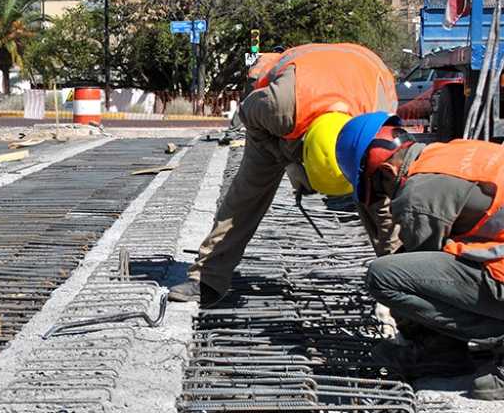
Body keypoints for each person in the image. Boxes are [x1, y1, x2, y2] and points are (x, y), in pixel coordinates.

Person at [168, 43, 398, 306]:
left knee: (380, 199)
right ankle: (207, 278)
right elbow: (246, 114)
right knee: (248, 194)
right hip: (288, 107)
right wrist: (283, 159)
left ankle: (402, 280)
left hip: (365, 73)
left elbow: (384, 209)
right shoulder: (278, 108)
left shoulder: (378, 117)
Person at [335, 111, 504, 400]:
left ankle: (440, 355)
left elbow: (420, 271)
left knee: (385, 275)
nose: (386, 199)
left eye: (380, 190)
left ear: (387, 172)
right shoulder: (450, 152)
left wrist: (415, 332)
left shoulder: (417, 195)